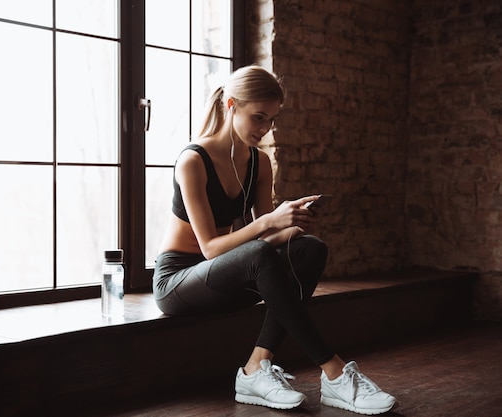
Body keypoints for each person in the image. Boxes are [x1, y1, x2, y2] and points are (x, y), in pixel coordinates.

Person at [152, 65, 396, 415]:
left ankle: (256, 367)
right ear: (232, 105)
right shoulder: (193, 161)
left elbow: (268, 238)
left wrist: (292, 224)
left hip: (229, 274)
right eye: (258, 118)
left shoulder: (259, 162)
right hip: (180, 281)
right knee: (259, 255)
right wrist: (269, 221)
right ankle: (335, 372)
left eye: (272, 121)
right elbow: (210, 248)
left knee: (310, 248)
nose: (265, 129)